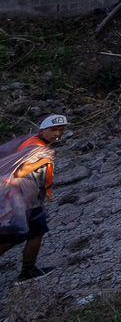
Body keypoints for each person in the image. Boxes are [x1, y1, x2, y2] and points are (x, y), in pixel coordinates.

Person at [0, 114, 69, 282]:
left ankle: (28, 270)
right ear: (43, 130)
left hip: (22, 198)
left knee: (26, 234)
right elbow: (21, 172)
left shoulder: (32, 142)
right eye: (53, 130)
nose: (57, 134)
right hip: (22, 200)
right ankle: (28, 272)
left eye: (61, 130)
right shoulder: (37, 149)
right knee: (26, 234)